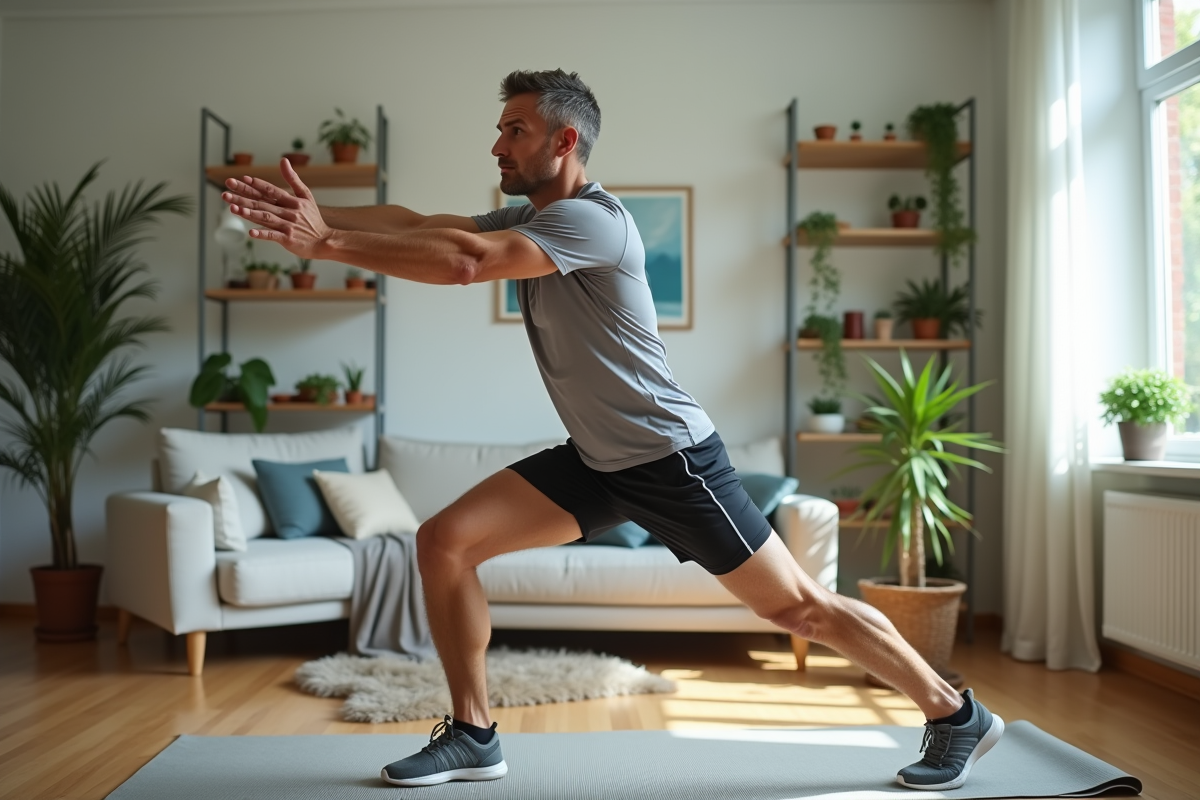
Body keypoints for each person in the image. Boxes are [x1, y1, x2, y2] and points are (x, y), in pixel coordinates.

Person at [220, 69, 1004, 792]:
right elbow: (428, 223)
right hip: (598, 460)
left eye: (515, 129)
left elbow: (465, 262)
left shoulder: (592, 223)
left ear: (565, 141)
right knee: (444, 541)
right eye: (499, 129)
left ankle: (952, 712)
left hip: (672, 459)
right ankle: (474, 732)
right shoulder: (536, 214)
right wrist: (319, 215)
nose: (497, 143)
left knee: (797, 608)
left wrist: (324, 243)